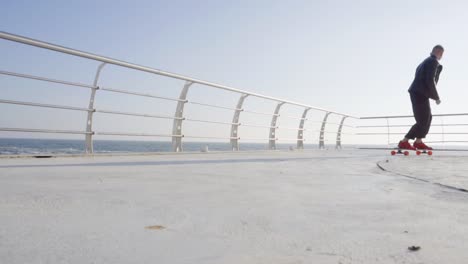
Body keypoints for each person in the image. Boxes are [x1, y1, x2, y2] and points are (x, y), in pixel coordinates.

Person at [398, 45, 444, 150]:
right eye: (442, 54)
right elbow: (430, 79)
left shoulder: (425, 61)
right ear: (439, 53)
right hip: (419, 93)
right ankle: (404, 141)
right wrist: (436, 97)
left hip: (420, 93)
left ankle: (418, 141)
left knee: (428, 117)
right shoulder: (433, 61)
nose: (441, 56)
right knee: (422, 120)